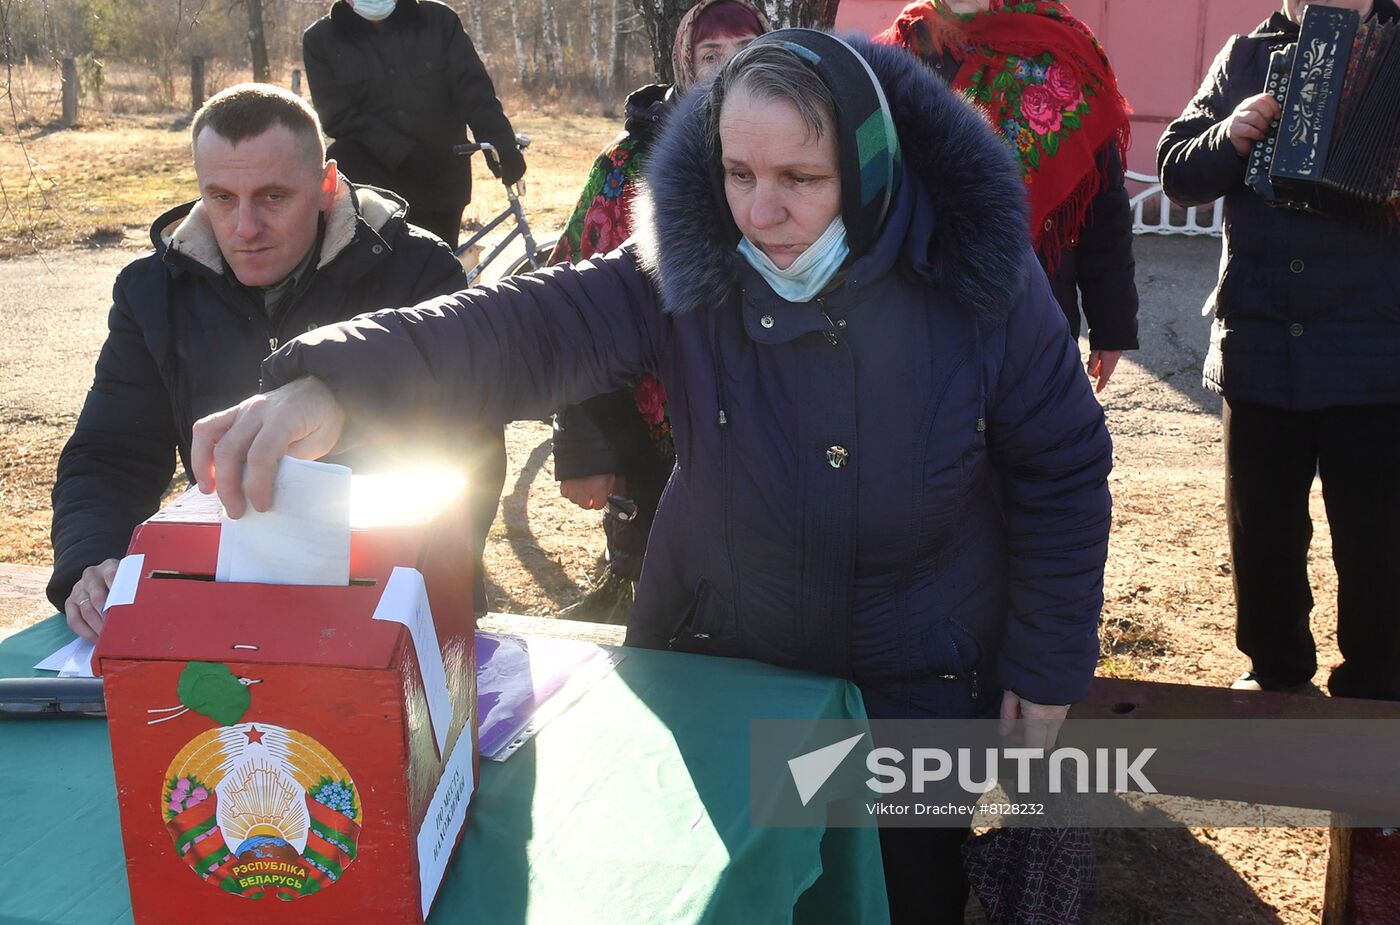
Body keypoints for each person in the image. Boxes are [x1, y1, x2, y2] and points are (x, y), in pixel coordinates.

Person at [191, 32, 1113, 920]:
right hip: (722, 667)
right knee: (728, 888)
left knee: (898, 892)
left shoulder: (978, 281)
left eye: (802, 179)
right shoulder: (690, 264)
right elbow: (524, 327)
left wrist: (1046, 658)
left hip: (917, 676)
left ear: (870, 172)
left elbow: (1062, 465)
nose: (761, 212)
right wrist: (336, 381)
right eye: (739, 175)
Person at [48, 83, 474, 640]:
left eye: (274, 197)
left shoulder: (418, 271)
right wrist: (93, 562)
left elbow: (463, 449)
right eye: (221, 198)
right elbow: (110, 454)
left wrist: (396, 585)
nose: (245, 229)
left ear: (325, 186)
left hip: (400, 594)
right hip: (218, 599)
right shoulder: (153, 292)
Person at [1157, 0, 1400, 699]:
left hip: (1377, 360)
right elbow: (1175, 168)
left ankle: (1379, 705)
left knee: (1380, 552)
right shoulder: (1245, 55)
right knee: (1262, 541)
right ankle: (1274, 679)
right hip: (1260, 349)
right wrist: (1228, 138)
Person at [548, 0, 771, 620]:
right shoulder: (624, 169)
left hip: (764, 420)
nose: (728, 70)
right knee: (649, 590)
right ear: (683, 64)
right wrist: (585, 441)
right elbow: (574, 303)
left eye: (744, 52)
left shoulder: (798, 156)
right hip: (647, 423)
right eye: (710, 56)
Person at [878, 0, 1139, 393]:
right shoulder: (905, 46)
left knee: (1030, 441)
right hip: (919, 309)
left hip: (1034, 304)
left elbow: (1104, 206)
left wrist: (1112, 325)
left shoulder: (1065, 51)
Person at [302, 0, 525, 249]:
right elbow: (337, 116)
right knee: (380, 281)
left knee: (439, 276)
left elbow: (474, 90)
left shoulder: (438, 21)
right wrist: (402, 153)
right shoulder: (320, 40)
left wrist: (502, 145)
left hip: (442, 182)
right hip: (372, 193)